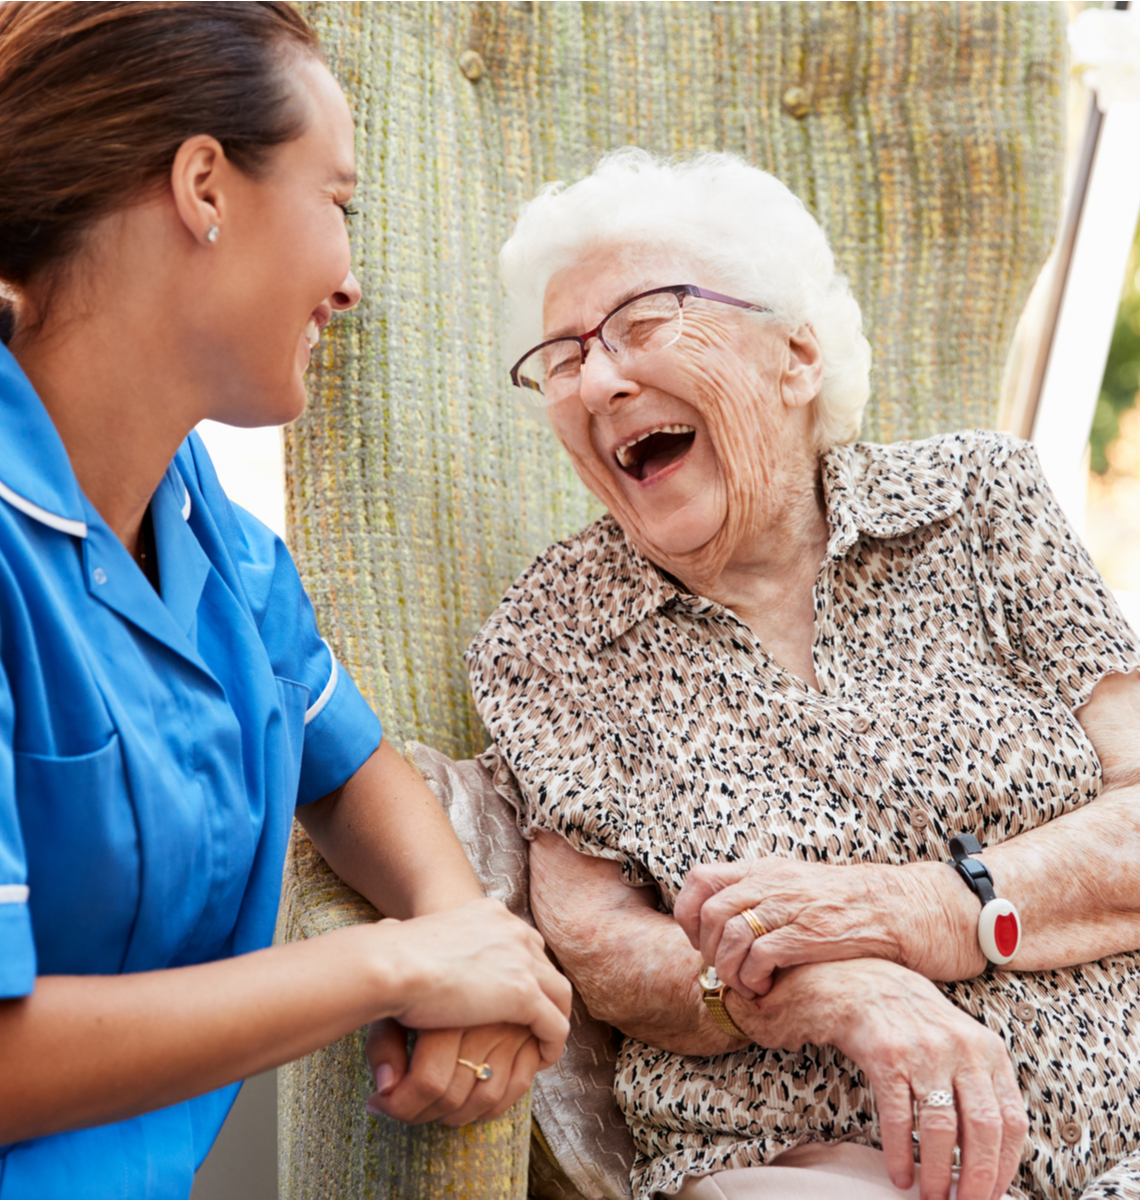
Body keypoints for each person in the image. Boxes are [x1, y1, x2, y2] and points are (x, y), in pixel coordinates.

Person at [0, 4, 570, 1197]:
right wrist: (392, 968)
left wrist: (468, 932)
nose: (350, 281)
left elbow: (348, 764)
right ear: (204, 189)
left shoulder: (203, 531)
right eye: (338, 205)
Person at [466, 148, 1140, 1200]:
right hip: (816, 1155)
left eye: (644, 323)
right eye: (564, 357)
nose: (599, 378)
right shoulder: (553, 632)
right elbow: (599, 948)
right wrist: (842, 993)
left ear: (798, 356)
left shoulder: (980, 502)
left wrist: (913, 913)